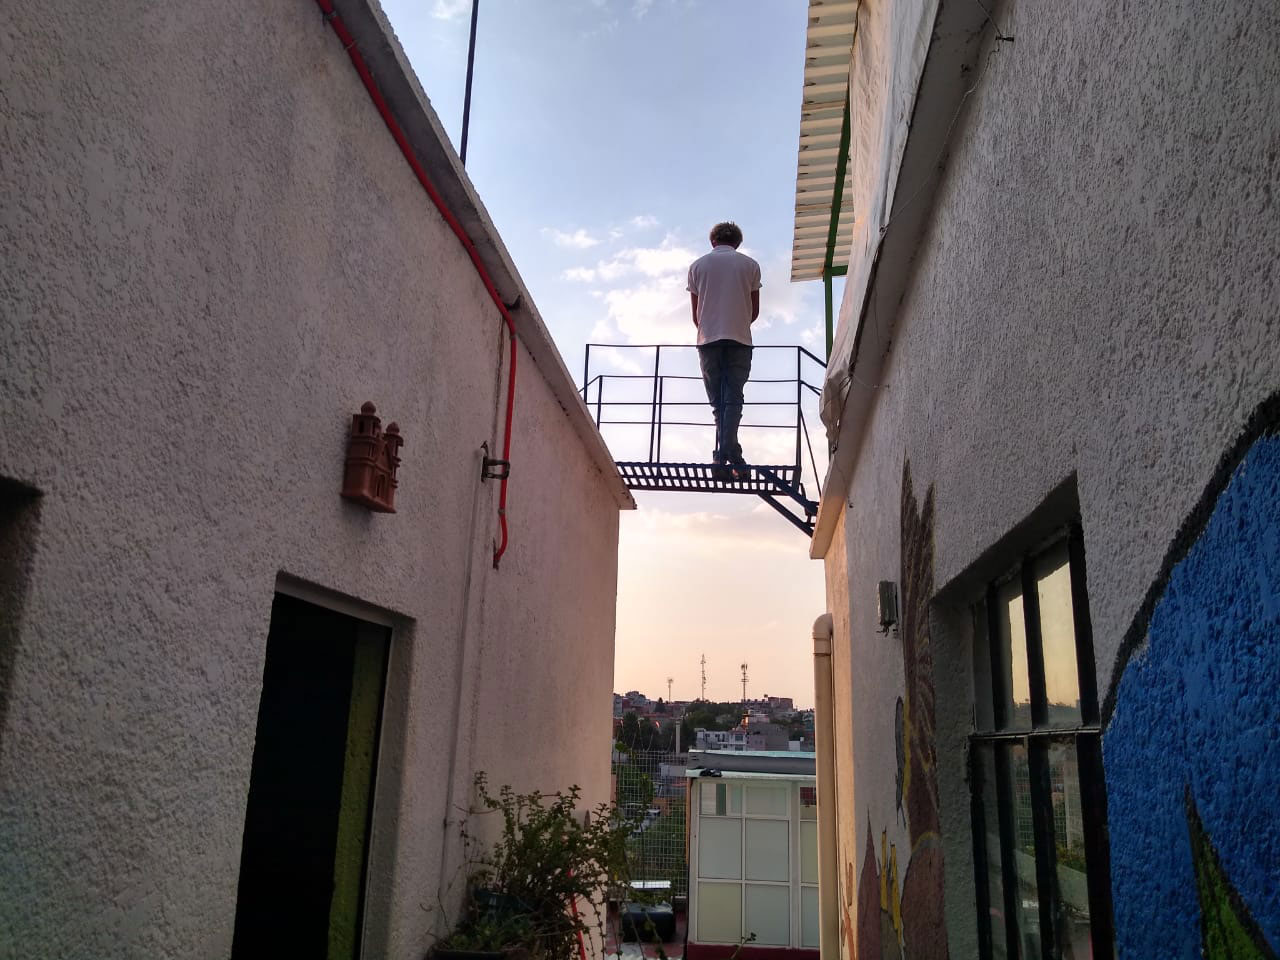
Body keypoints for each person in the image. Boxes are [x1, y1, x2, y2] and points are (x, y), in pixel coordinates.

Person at [686, 221, 761, 481]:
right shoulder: (750, 266)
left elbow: (696, 314)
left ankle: (723, 455)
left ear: (713, 241)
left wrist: (711, 326)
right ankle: (730, 454)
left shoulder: (697, 267)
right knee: (733, 398)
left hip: (708, 340)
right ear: (738, 242)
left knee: (718, 402)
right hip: (740, 339)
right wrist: (735, 323)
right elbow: (754, 311)